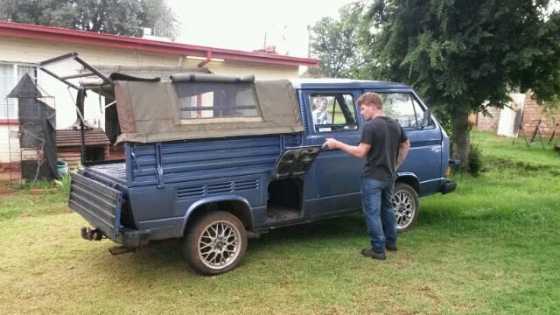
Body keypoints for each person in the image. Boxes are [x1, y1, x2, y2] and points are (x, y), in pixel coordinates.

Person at [323, 92, 410, 260]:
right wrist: (396, 164)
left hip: (373, 178)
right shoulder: (395, 124)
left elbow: (360, 152)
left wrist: (336, 144)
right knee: (388, 208)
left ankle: (378, 249)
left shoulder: (371, 127)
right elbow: (406, 145)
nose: (361, 113)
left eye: (363, 109)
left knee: (372, 213)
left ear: (372, 105)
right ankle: (391, 243)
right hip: (389, 175)